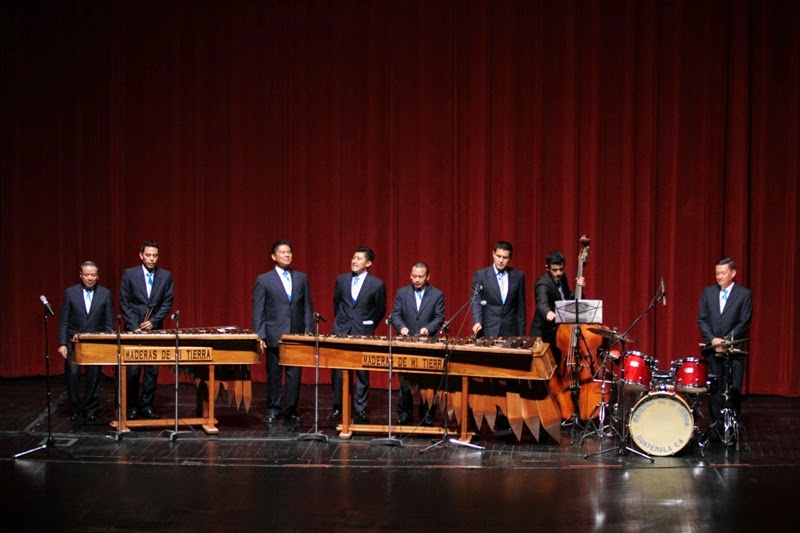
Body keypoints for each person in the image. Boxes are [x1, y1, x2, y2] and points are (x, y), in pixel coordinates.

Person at [252, 240, 315, 424]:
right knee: (274, 374)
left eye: (289, 252)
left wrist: (309, 331)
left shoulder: (301, 278)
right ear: (274, 256)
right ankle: (273, 409)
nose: (287, 255)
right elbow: (258, 309)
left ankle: (291, 410)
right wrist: (260, 335)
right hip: (273, 334)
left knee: (294, 375)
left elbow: (307, 307)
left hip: (295, 335)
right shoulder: (264, 280)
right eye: (282, 252)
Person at [330, 247, 386, 423]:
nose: (354, 261)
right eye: (354, 257)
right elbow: (336, 303)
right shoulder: (341, 280)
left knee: (362, 371)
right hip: (341, 330)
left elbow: (380, 310)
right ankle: (338, 406)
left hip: (363, 331)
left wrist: (367, 325)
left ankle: (360, 409)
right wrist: (342, 322)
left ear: (368, 263)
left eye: (359, 258)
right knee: (338, 371)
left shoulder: (377, 284)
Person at [119, 240, 174, 420]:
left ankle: (147, 405)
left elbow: (167, 303)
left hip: (154, 329)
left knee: (152, 370)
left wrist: (153, 321)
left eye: (155, 255)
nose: (151, 259)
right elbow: (124, 301)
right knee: (133, 370)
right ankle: (133, 407)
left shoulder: (165, 276)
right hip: (133, 330)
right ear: (141, 255)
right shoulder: (129, 274)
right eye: (148, 255)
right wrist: (134, 326)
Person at [57, 261, 115, 423]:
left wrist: (108, 342)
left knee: (94, 376)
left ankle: (90, 410)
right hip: (74, 342)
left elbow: (109, 322)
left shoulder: (105, 294)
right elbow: (64, 320)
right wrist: (62, 343)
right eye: (87, 274)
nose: (90, 278)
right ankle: (74, 409)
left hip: (96, 343)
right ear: (81, 275)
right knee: (73, 374)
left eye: (93, 275)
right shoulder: (70, 293)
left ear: (98, 276)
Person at [697, 257, 752, 425]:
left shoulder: (744, 294)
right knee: (714, 390)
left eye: (723, 273)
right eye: (717, 273)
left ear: (733, 273)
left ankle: (732, 427)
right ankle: (717, 427)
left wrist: (726, 341)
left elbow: (744, 321)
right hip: (712, 349)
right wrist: (713, 340)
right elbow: (702, 319)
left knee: (733, 389)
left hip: (734, 351)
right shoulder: (708, 292)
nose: (719, 276)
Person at [390, 262, 445, 426]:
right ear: (410, 275)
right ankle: (405, 414)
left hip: (427, 343)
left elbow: (439, 317)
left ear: (428, 277)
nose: (417, 279)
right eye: (414, 276)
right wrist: (402, 327)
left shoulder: (436, 294)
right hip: (406, 342)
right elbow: (396, 314)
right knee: (405, 382)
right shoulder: (402, 293)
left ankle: (427, 415)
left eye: (420, 276)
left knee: (428, 382)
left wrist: (428, 329)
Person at [529, 251, 586, 364]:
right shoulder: (543, 284)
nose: (558, 273)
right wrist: (547, 312)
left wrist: (579, 288)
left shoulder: (562, 277)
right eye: (554, 270)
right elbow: (541, 302)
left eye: (561, 269)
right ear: (547, 268)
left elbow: (567, 299)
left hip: (558, 330)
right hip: (545, 333)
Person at [471, 241, 527, 338]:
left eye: (505, 257)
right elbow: (476, 300)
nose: (501, 260)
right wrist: (477, 321)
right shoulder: (481, 275)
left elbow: (521, 307)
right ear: (493, 254)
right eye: (498, 256)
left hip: (511, 330)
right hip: (488, 329)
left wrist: (521, 335)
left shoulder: (518, 276)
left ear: (510, 258)